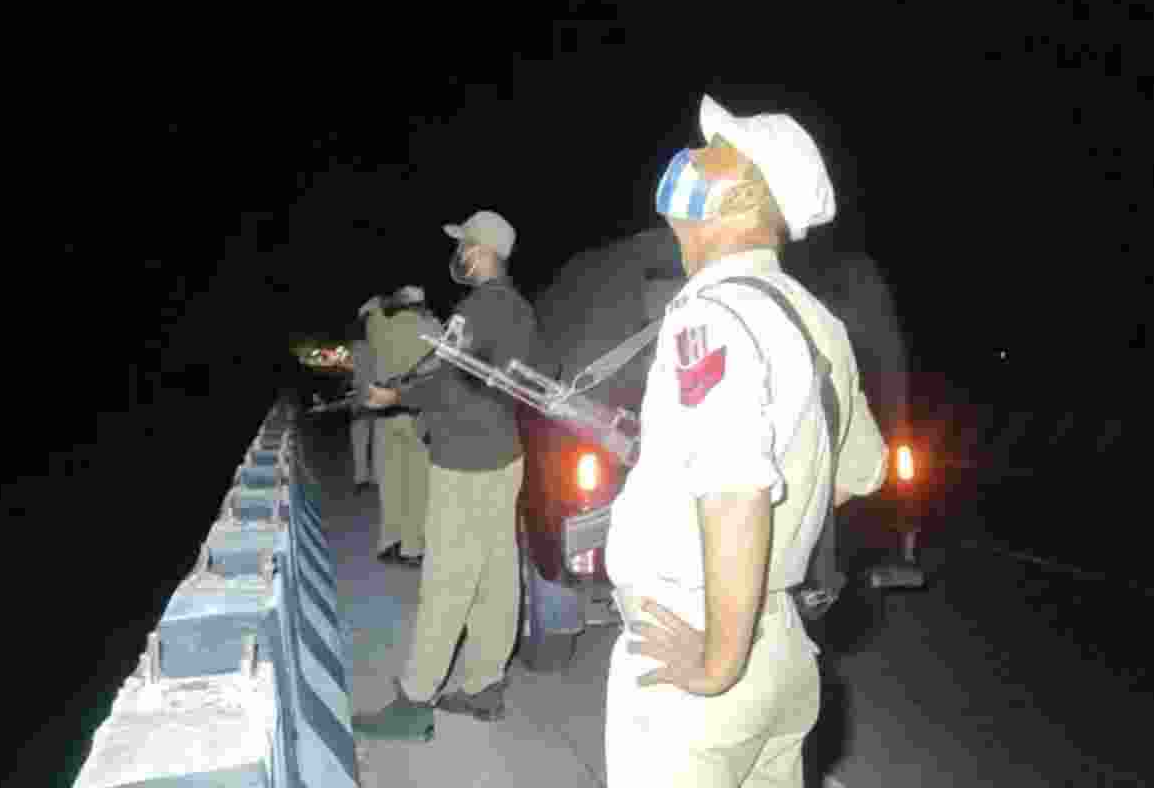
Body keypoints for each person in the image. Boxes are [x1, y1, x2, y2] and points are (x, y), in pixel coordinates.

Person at [602, 95, 889, 787]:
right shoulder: (819, 322)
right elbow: (858, 473)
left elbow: (736, 489)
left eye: (713, 151)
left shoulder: (713, 315)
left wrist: (719, 659)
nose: (691, 159)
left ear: (747, 193)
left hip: (702, 647)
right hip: (783, 645)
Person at [351, 210, 540, 738]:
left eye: (463, 245)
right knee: (497, 575)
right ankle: (484, 685)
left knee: (448, 579)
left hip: (466, 459)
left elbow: (452, 384)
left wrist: (396, 395)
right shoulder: (522, 310)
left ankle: (414, 701)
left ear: (479, 250)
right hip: (505, 453)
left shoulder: (477, 309)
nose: (458, 255)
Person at [363, 285, 438, 567]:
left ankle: (388, 542)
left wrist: (379, 307)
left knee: (391, 485)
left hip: (383, 418)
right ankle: (412, 548)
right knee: (417, 485)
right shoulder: (428, 327)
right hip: (414, 415)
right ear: (420, 305)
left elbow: (370, 311)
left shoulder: (380, 327)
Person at [349, 298, 381, 494]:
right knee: (369, 438)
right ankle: (367, 478)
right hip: (369, 396)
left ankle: (366, 478)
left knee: (368, 438)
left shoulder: (358, 345)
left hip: (367, 396)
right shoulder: (373, 344)